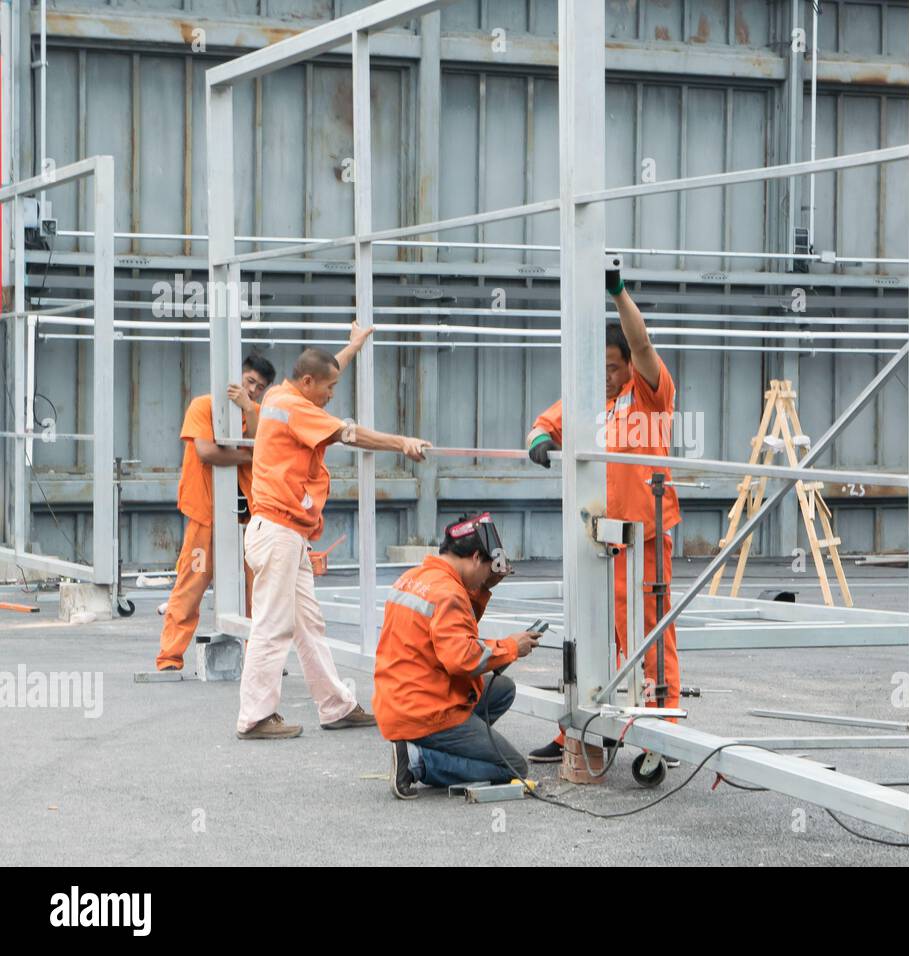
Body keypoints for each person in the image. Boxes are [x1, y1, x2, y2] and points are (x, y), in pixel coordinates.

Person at [235, 323, 433, 740]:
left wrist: (353, 346)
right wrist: (403, 443)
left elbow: (326, 369)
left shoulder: (279, 395)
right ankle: (254, 716)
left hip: (283, 533)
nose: (332, 395)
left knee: (308, 624)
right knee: (273, 625)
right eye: (328, 389)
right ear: (308, 383)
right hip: (280, 532)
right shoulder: (299, 407)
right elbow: (351, 434)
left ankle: (336, 705)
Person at [524, 264, 682, 764]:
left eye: (612, 367)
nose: (606, 376)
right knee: (588, 628)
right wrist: (539, 441)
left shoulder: (649, 393)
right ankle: (582, 720)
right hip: (595, 537)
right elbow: (543, 424)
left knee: (649, 631)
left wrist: (617, 293)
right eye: (600, 368)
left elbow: (642, 345)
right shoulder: (593, 400)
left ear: (627, 366)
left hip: (643, 535)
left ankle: (662, 724)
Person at [374, 513, 541, 798]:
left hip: (401, 697)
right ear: (477, 557)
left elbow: (454, 632)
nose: (488, 575)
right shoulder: (449, 592)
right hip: (425, 709)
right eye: (488, 569)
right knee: (513, 769)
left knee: (502, 689)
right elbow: (462, 658)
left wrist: (482, 589)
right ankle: (418, 761)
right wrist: (512, 646)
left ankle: (444, 746)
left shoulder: (414, 577)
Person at [155, 354, 273, 671]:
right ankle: (169, 656)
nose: (252, 391)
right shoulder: (204, 406)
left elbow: (269, 448)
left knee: (258, 591)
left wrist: (249, 410)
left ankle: (259, 660)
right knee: (192, 583)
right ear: (236, 378)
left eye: (259, 388)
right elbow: (206, 451)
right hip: (206, 514)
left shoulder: (258, 413)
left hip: (249, 516)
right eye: (249, 382)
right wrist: (248, 457)